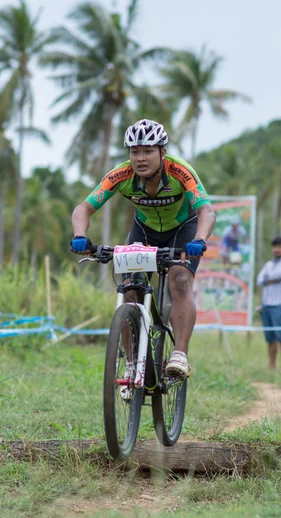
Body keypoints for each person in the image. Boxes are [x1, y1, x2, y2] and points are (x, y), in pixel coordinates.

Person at [70, 119, 216, 380]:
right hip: (145, 231)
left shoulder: (180, 172)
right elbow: (84, 208)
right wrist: (80, 235)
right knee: (130, 288)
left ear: (162, 152)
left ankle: (180, 355)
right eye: (134, 152)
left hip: (183, 230)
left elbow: (206, 210)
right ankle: (130, 365)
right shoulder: (121, 175)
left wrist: (200, 239)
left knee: (180, 279)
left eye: (148, 151)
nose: (140, 158)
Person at [256, 236, 281, 372]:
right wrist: (270, 279)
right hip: (266, 305)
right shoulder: (268, 264)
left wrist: (269, 278)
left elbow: (278, 275)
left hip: (280, 304)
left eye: (279, 246)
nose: (277, 249)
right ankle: (271, 365)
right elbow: (259, 280)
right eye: (275, 246)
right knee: (270, 338)